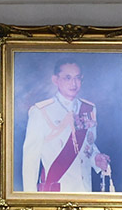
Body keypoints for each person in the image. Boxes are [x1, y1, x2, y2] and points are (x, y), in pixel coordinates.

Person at [21, 58, 111, 193]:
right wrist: (30, 197)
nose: (73, 83)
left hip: (85, 190)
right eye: (67, 78)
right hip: (55, 191)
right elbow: (30, 159)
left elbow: (87, 146)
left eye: (77, 78)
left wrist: (96, 158)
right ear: (55, 80)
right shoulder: (41, 111)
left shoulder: (89, 109)